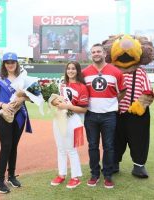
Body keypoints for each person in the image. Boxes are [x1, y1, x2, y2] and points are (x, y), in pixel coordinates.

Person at [82, 43, 126, 188]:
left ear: (104, 53)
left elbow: (122, 91)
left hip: (109, 116)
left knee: (109, 146)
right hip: (91, 115)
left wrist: (112, 102)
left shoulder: (115, 72)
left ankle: (108, 175)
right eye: (93, 52)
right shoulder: (85, 73)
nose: (96, 54)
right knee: (93, 146)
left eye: (98, 51)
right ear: (91, 54)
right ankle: (94, 174)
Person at [0, 52, 33, 194]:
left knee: (14, 146)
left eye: (12, 62)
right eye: (7, 62)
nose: (10, 65)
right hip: (4, 116)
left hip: (19, 116)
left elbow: (32, 96)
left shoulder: (23, 79)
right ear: (4, 64)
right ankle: (0, 180)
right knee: (6, 146)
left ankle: (12, 175)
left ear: (16, 63)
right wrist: (3, 105)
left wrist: (24, 98)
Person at [49, 61, 89, 189]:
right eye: (68, 68)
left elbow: (84, 109)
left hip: (72, 120)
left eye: (73, 68)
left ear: (77, 71)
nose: (70, 71)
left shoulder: (82, 87)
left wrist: (67, 106)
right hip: (58, 118)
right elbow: (53, 101)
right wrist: (54, 102)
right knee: (60, 148)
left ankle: (75, 177)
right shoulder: (61, 85)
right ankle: (62, 174)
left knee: (71, 149)